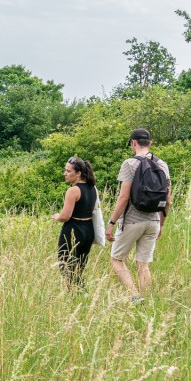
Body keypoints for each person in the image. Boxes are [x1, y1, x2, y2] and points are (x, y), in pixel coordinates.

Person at [107, 128, 172, 302]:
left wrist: (112, 222)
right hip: (153, 221)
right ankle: (147, 301)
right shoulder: (162, 165)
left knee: (117, 260)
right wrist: (162, 224)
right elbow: (168, 200)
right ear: (150, 143)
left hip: (132, 221)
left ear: (133, 143)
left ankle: (134, 296)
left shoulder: (129, 164)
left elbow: (123, 197)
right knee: (143, 264)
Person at [51, 157, 98, 285]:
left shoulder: (73, 191)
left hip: (73, 229)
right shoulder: (92, 188)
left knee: (65, 265)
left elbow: (66, 216)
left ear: (78, 174)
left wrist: (57, 216)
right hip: (88, 230)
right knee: (79, 267)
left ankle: (75, 293)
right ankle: (80, 293)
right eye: (65, 170)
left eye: (68, 171)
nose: (65, 174)